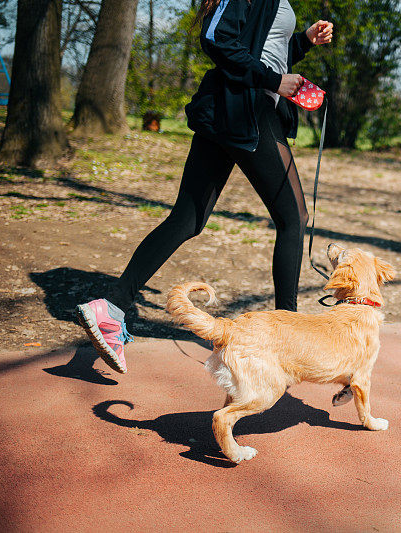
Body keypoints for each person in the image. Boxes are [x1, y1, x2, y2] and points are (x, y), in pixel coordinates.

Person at [75, 0, 334, 374]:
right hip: (247, 110)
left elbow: (259, 50)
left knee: (188, 218)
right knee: (294, 217)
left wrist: (303, 42)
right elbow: (216, 38)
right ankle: (284, 336)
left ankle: (111, 307)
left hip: (233, 109)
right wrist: (274, 82)